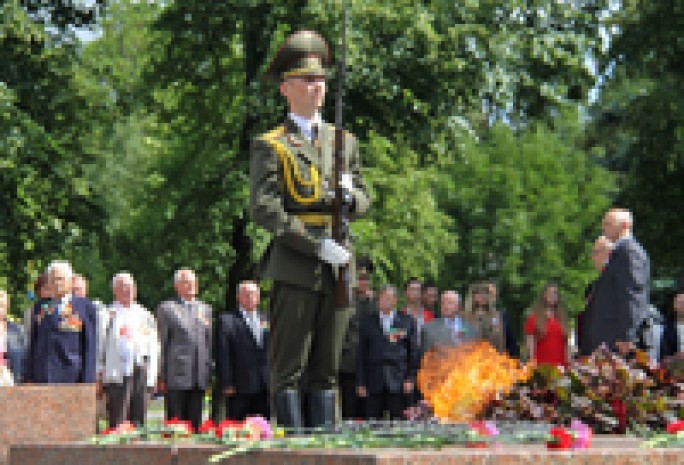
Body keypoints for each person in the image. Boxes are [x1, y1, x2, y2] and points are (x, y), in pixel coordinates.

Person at [249, 30, 370, 428]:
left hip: (338, 267)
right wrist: (315, 245)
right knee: (289, 371)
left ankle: (325, 446)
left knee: (328, 370)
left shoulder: (343, 142)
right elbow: (265, 209)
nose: (317, 86)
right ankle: (291, 449)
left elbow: (367, 197)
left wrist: (351, 200)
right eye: (307, 79)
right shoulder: (272, 144)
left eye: (320, 80)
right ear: (286, 88)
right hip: (297, 264)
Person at [583, 209, 650, 353]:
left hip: (617, 341)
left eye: (609, 224)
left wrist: (627, 336)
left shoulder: (629, 252)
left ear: (625, 225)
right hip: (608, 339)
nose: (604, 228)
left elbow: (632, 295)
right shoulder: (621, 252)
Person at [98, 273, 160, 428]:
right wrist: (99, 373)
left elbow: (154, 346)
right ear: (115, 290)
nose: (128, 290)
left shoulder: (145, 314)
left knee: (139, 419)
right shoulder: (107, 314)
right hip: (117, 373)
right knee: (118, 419)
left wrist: (153, 375)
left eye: (131, 286)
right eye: (123, 286)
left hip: (141, 371)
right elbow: (99, 347)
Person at [156, 268, 212, 431]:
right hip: (176, 377)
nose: (192, 285)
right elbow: (162, 343)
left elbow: (207, 343)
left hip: (198, 377)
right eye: (187, 282)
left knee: (195, 425)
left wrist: (207, 372)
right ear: (177, 286)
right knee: (177, 426)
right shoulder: (167, 308)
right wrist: (161, 375)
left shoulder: (205, 309)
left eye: (194, 282)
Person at [24, 260, 97, 384]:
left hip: (71, 377)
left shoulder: (84, 307)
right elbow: (34, 342)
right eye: (52, 280)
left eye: (60, 279)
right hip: (42, 377)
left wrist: (87, 381)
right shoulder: (40, 307)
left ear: (70, 281)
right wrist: (29, 375)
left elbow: (89, 347)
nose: (56, 283)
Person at [356, 285, 418, 420]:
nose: (385, 301)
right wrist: (361, 382)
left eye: (389, 298)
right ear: (377, 301)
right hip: (373, 381)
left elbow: (413, 353)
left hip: (398, 381)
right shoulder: (367, 322)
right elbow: (361, 354)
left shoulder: (406, 321)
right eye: (382, 298)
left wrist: (410, 378)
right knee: (373, 423)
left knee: (398, 422)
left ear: (395, 300)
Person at [217, 281, 269, 421]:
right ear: (238, 297)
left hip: (264, 385)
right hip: (239, 386)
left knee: (262, 428)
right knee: (237, 428)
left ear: (258, 297)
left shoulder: (266, 318)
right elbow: (223, 353)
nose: (250, 297)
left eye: (253, 294)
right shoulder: (227, 320)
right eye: (246, 294)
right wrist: (227, 382)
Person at [339, 263, 375, 420]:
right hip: (349, 362)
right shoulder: (345, 300)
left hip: (370, 363)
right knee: (349, 406)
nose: (363, 283)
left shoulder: (374, 302)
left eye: (366, 279)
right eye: (360, 279)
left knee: (369, 408)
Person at [578, 236, 614, 355]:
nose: (593, 257)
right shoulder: (596, 284)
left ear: (608, 253)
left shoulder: (615, 281)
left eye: (595, 252)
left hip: (608, 350)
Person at [524, 282, 570, 367]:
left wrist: (569, 364)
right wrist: (532, 364)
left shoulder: (562, 319)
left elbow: (566, 345)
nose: (553, 295)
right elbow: (530, 345)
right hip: (542, 367)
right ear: (544, 295)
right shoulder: (533, 318)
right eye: (550, 293)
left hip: (561, 367)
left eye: (555, 293)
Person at [420, 290, 477, 357]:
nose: (446, 306)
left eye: (450, 302)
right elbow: (425, 358)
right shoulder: (428, 329)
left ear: (459, 305)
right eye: (443, 303)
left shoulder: (472, 328)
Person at [464, 282, 506, 352]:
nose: (482, 296)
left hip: (492, 354)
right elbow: (462, 336)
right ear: (473, 297)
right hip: (471, 354)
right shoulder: (465, 316)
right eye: (479, 294)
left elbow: (500, 338)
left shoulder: (496, 315)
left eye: (485, 294)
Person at [486, 280, 519, 357]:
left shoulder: (503, 315)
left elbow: (511, 341)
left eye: (492, 294)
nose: (489, 296)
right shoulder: (471, 317)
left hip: (499, 362)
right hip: (477, 362)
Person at [1, 289, 26, 384]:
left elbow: (23, 357)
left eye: (2, 305)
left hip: (11, 380)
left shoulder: (17, 329)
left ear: (7, 307)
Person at [23, 273, 51, 349]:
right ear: (39, 291)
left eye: (51, 289)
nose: (50, 292)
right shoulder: (31, 311)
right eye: (46, 289)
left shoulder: (61, 307)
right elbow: (27, 336)